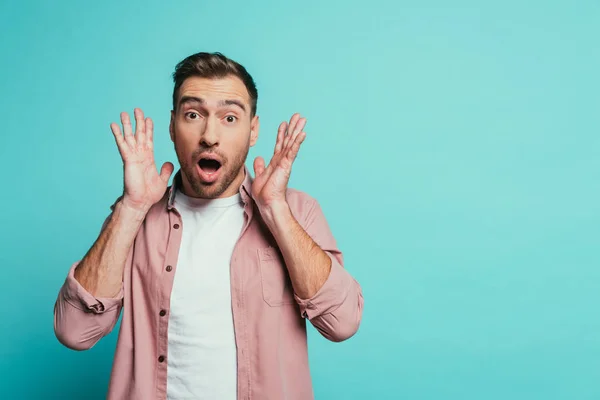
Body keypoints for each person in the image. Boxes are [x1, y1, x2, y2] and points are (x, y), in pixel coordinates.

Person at [53, 52, 364, 400]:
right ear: (172, 126)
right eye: (193, 115)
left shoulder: (297, 211)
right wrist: (131, 208)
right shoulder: (134, 217)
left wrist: (276, 210)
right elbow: (75, 331)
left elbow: (342, 323)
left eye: (230, 117)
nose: (209, 135)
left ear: (253, 131)